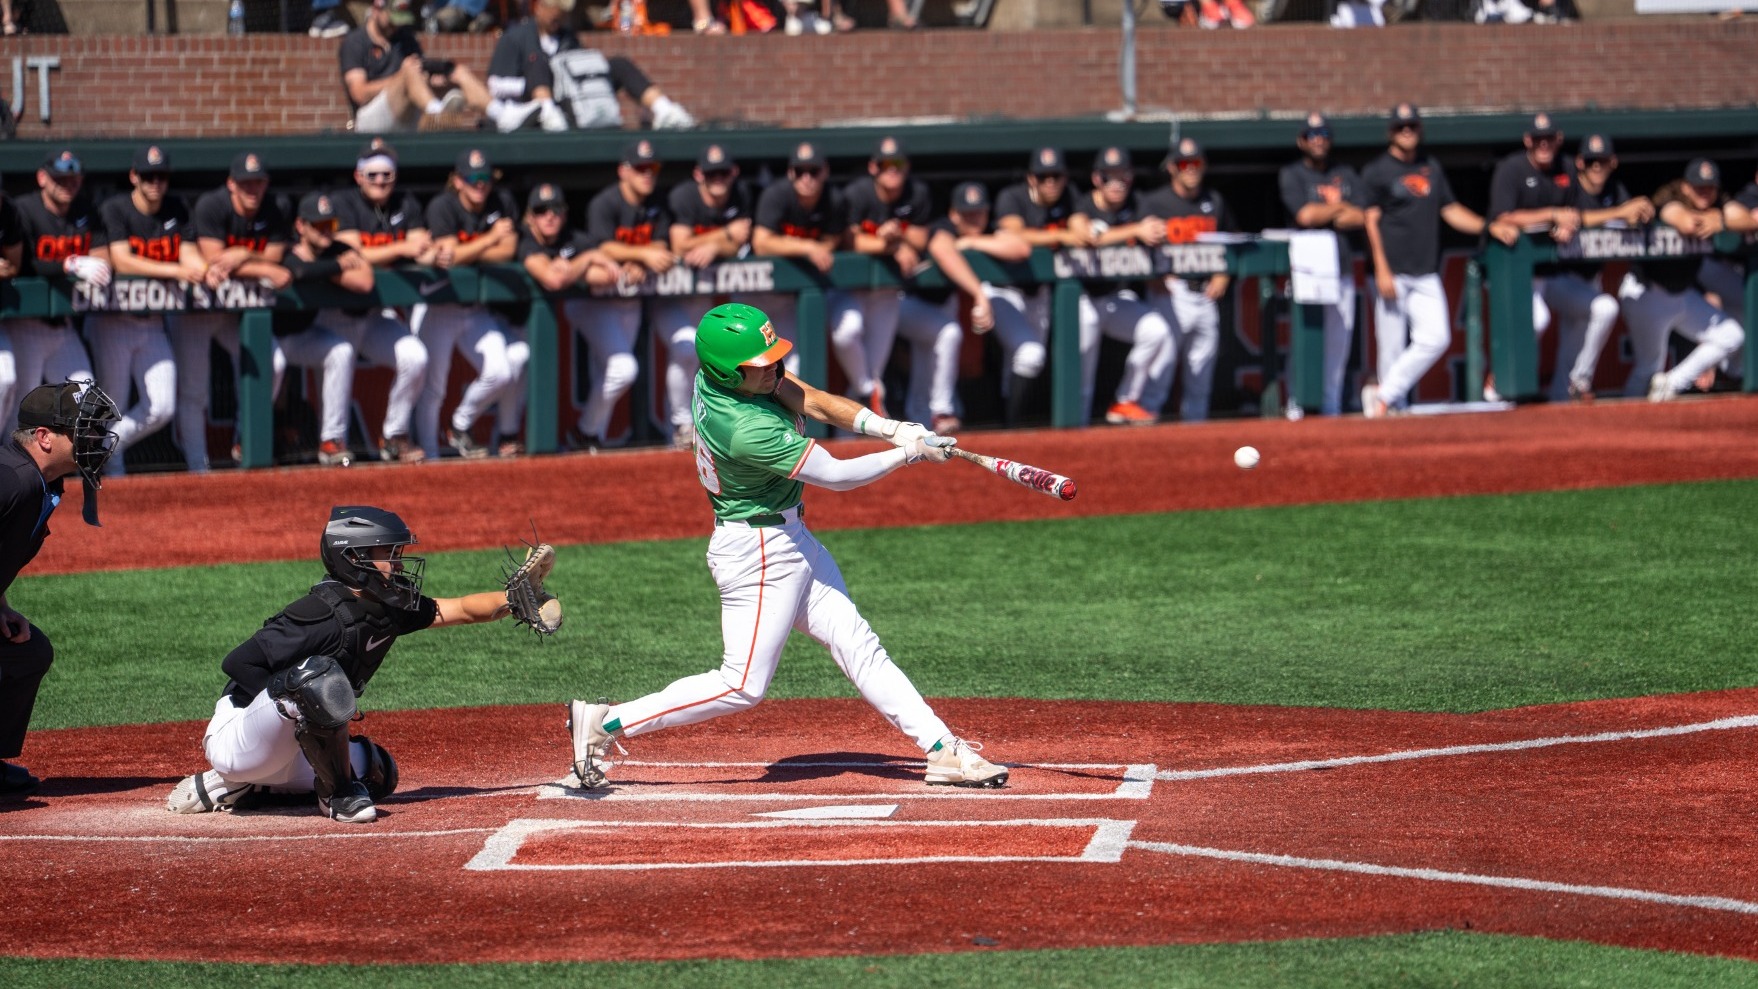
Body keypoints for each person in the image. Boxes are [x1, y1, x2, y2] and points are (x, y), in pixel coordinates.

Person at [565, 302, 1007, 792]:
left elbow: (811, 398)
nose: (773, 368)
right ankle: (604, 723)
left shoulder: (731, 378)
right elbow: (836, 475)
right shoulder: (745, 428)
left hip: (788, 538)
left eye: (774, 357)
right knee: (742, 685)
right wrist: (909, 453)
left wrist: (892, 428)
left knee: (857, 643)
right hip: (758, 553)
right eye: (760, 364)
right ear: (728, 372)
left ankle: (941, 748)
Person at [165, 506, 534, 823]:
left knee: (377, 771)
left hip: (284, 743)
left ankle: (245, 787)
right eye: (388, 553)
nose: (398, 563)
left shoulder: (387, 606)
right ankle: (335, 796)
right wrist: (297, 705)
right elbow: (239, 662)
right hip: (239, 735)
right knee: (315, 677)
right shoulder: (319, 614)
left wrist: (515, 600)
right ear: (354, 558)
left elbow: (460, 609)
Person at [0, 380, 120, 796]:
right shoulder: (13, 481)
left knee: (27, 652)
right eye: (83, 431)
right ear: (44, 437)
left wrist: (1, 605)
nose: (95, 440)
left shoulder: (40, 484)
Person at [1360, 103, 1518, 417]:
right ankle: (1389, 410)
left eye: (1412, 126)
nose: (1407, 131)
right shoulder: (1377, 171)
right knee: (1390, 346)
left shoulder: (1430, 166)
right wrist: (1381, 268)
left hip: (1424, 271)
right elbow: (1370, 221)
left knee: (1437, 336)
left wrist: (1488, 226)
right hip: (1392, 269)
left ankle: (1383, 393)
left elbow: (1450, 210)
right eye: (1401, 127)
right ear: (1391, 132)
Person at [88, 145, 203, 477]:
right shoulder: (115, 208)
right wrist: (175, 270)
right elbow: (121, 260)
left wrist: (203, 268)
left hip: (152, 322)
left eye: (161, 176)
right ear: (134, 176)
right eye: (148, 176)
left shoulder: (176, 207)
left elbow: (190, 257)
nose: (155, 182)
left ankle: (102, 448)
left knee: (162, 406)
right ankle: (113, 476)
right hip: (113, 320)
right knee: (113, 404)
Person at [183, 151, 295, 472]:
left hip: (235, 313)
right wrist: (260, 266)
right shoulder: (212, 204)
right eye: (245, 183)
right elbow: (216, 261)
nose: (252, 189)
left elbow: (274, 259)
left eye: (258, 182)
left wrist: (242, 253)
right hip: (198, 309)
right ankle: (196, 469)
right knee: (194, 392)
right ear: (231, 184)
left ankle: (244, 439)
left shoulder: (276, 207)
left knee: (274, 363)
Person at [416, 148, 527, 460]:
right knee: (434, 388)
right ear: (458, 181)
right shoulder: (443, 206)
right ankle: (430, 457)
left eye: (485, 178)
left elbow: (507, 251)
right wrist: (489, 239)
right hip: (439, 306)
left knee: (502, 371)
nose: (480, 184)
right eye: (473, 178)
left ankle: (459, 424)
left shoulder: (501, 201)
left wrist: (469, 251)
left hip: (474, 309)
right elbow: (449, 257)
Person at [893, 182, 1029, 433]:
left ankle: (922, 418)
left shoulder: (984, 231)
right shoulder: (943, 227)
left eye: (979, 212)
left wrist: (973, 242)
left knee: (928, 361)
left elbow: (1021, 248)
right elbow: (941, 248)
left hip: (938, 307)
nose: (974, 219)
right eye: (967, 213)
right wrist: (979, 294)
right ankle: (941, 411)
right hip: (905, 302)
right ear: (954, 213)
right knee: (948, 332)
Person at [332, 137, 433, 463]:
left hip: (376, 314)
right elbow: (353, 253)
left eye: (386, 175)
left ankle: (394, 434)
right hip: (335, 314)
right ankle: (330, 444)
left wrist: (430, 252)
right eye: (372, 175)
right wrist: (402, 248)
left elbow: (422, 246)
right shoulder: (343, 202)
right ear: (358, 176)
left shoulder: (405, 203)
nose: (380, 181)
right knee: (338, 371)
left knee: (415, 357)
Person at [572, 139, 676, 451]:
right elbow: (602, 246)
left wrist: (639, 259)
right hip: (594, 302)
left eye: (652, 168)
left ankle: (591, 442)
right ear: (624, 171)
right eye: (640, 168)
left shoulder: (657, 202)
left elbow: (662, 244)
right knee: (622, 368)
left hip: (629, 302)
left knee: (608, 373)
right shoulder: (605, 203)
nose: (648, 174)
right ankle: (585, 432)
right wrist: (642, 254)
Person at [1619, 158, 1745, 403]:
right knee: (1648, 369)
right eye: (1699, 187)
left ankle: (1672, 382)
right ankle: (1620, 420)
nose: (1705, 192)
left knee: (1731, 335)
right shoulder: (1671, 199)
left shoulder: (1717, 206)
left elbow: (1749, 219)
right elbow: (1687, 224)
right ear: (1686, 187)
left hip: (1682, 293)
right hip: (1647, 290)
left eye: (1710, 187)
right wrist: (1718, 219)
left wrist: (1720, 220)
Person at [660, 142, 754, 450]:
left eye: (723, 173)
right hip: (668, 293)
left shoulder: (740, 194)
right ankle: (681, 425)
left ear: (734, 173)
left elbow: (741, 243)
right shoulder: (684, 196)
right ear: (699, 174)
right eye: (711, 173)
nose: (718, 179)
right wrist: (723, 236)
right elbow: (680, 246)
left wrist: (715, 246)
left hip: (705, 296)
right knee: (686, 348)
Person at [1074, 145, 1175, 426]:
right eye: (1110, 176)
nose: (1117, 184)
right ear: (1097, 179)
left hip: (1115, 296)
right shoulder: (1083, 203)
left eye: (1123, 176)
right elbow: (1085, 235)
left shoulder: (1137, 204)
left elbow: (1156, 229)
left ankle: (1125, 400)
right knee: (1084, 363)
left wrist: (1156, 230)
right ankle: (1075, 425)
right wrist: (1136, 230)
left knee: (1158, 332)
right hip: (1081, 298)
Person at [484, 0, 695, 134]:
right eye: (555, 11)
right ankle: (549, 115)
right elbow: (495, 85)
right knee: (538, 63)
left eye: (563, 12)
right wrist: (535, 86)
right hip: (534, 111)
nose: (559, 16)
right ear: (539, 7)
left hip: (573, 102)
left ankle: (664, 109)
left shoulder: (567, 36)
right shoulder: (516, 37)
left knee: (619, 64)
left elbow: (580, 66)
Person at [990, 147, 1090, 426]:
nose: (1051, 182)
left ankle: (1009, 428)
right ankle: (1008, 425)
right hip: (1003, 290)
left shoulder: (1070, 196)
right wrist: (1062, 235)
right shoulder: (1012, 196)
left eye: (1056, 176)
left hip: (1040, 293)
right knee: (1029, 355)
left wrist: (1081, 229)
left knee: (1024, 362)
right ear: (1031, 178)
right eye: (1044, 176)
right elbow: (1014, 233)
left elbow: (1081, 227)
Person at [1550, 134, 1653, 403]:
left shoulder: (1614, 189)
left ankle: (1560, 397)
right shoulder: (1568, 186)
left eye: (1602, 161)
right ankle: (1580, 379)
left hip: (1589, 277)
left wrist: (1642, 211)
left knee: (1573, 340)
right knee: (1605, 308)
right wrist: (1619, 212)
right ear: (1580, 162)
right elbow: (1571, 217)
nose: (1597, 166)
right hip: (1555, 277)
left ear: (1613, 162)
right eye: (1591, 161)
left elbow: (1631, 216)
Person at [1484, 112, 1580, 402]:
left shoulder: (1567, 167)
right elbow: (1503, 216)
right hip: (1511, 271)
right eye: (1538, 139)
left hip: (1551, 272)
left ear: (1558, 139)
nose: (1544, 144)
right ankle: (1500, 377)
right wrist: (1552, 214)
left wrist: (1568, 224)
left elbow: (1575, 211)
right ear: (1528, 140)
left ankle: (1570, 386)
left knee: (1602, 308)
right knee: (1537, 318)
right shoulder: (1511, 169)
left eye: (1549, 138)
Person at [517, 183, 622, 447]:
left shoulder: (574, 239)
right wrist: (585, 261)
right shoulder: (525, 240)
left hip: (566, 318)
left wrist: (572, 268)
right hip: (511, 321)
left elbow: (604, 276)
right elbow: (553, 279)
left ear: (564, 214)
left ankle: (584, 433)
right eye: (541, 211)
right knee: (510, 373)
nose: (549, 216)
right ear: (530, 217)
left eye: (555, 210)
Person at [1278, 112, 1367, 417]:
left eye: (1324, 135)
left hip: (1341, 266)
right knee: (1305, 338)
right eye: (1312, 135)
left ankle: (1331, 404)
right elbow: (1305, 216)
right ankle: (1297, 402)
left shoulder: (1345, 173)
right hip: (1306, 268)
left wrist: (1327, 212)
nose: (1318, 140)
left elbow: (1361, 216)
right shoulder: (1292, 174)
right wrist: (1340, 207)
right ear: (1301, 141)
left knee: (1338, 343)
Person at [838, 135, 933, 418]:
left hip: (887, 293)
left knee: (873, 371)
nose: (891, 170)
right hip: (850, 289)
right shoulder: (858, 193)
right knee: (846, 334)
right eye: (884, 164)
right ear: (873, 167)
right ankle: (867, 395)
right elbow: (849, 241)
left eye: (898, 164)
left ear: (907, 167)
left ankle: (854, 432)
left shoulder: (916, 193)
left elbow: (922, 239)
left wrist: (898, 234)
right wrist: (889, 245)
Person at [1142, 137, 1236, 423]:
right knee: (1161, 367)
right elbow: (1135, 245)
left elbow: (1231, 241)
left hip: (1204, 293)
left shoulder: (1214, 200)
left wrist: (1223, 273)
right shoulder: (1154, 202)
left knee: (1201, 370)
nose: (1191, 169)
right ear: (1172, 167)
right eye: (1184, 163)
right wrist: (1151, 277)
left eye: (1196, 162)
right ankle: (1145, 424)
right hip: (1171, 291)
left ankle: (1195, 430)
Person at [8, 151, 102, 435]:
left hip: (64, 326)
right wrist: (68, 264)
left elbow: (102, 254)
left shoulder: (84, 209)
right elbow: (22, 264)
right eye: (59, 178)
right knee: (21, 412)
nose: (67, 184)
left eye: (73, 179)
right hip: (25, 325)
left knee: (85, 400)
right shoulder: (23, 209)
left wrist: (101, 265)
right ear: (42, 178)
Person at [275, 192, 366, 468]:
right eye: (319, 225)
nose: (326, 231)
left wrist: (329, 269)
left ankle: (332, 440)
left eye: (331, 224)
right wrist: (336, 267)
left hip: (301, 336)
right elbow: (298, 271)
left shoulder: (335, 249)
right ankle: (246, 437)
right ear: (301, 226)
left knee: (341, 351)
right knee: (275, 365)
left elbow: (365, 281)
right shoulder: (287, 250)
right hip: (268, 336)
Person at [748, 141, 845, 371]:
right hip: (759, 292)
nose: (807, 178)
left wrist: (820, 247)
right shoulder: (777, 194)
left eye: (814, 171)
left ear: (825, 171)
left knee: (790, 365)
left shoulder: (834, 199)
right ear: (791, 172)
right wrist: (808, 247)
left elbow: (834, 238)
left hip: (793, 297)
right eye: (800, 171)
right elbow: (761, 243)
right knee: (751, 362)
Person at [338, 0, 490, 134]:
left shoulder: (405, 39)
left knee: (457, 73)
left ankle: (497, 113)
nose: (396, 25)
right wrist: (401, 78)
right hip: (369, 119)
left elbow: (418, 79)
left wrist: (433, 81)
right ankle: (438, 115)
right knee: (409, 71)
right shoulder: (355, 42)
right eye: (392, 19)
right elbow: (359, 93)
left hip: (408, 112)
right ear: (377, 9)